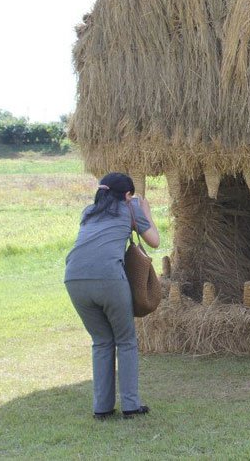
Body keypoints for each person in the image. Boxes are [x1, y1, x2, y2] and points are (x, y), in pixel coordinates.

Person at [64, 172, 160, 420]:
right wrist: (145, 209)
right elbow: (154, 241)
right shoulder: (131, 207)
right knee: (126, 341)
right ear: (127, 195)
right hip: (109, 279)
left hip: (74, 278)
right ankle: (130, 405)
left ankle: (102, 408)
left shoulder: (88, 211)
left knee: (101, 341)